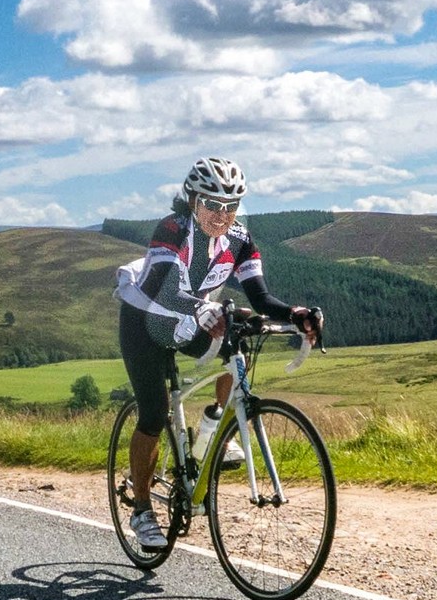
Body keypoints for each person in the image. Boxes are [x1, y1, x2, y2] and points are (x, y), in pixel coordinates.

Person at [114, 156, 322, 550]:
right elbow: (163, 288)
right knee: (155, 412)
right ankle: (141, 509)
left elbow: (259, 296)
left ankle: (215, 426)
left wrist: (295, 314)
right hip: (146, 320)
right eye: (212, 204)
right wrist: (202, 307)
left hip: (192, 319)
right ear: (192, 200)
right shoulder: (173, 229)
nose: (221, 215)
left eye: (230, 206)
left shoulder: (240, 240)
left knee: (237, 341)